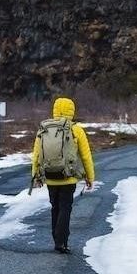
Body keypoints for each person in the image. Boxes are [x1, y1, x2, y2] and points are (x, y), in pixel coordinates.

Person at [31, 97, 95, 254]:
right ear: (71, 111)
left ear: (55, 109)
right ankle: (62, 241)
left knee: (55, 207)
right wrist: (90, 177)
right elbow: (86, 156)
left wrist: (35, 176)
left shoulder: (44, 129)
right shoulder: (76, 130)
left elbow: (36, 155)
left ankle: (56, 239)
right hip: (68, 177)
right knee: (65, 208)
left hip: (50, 177)